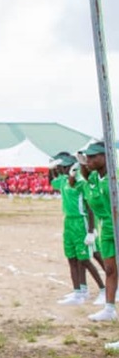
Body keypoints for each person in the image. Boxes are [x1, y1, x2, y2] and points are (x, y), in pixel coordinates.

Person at [75, 143, 119, 338]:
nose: (90, 161)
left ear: (105, 156)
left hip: (117, 225)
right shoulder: (94, 177)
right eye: (88, 158)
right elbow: (83, 176)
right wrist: (82, 162)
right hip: (106, 229)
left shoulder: (115, 175)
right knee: (110, 270)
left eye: (93, 157)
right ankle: (109, 308)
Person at [51, 153, 104, 305]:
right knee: (72, 258)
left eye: (63, 166)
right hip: (68, 222)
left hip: (81, 222)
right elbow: (53, 181)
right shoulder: (64, 180)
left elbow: (90, 207)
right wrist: (52, 168)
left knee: (85, 259)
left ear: (71, 166)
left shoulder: (81, 182)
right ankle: (79, 292)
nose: (61, 168)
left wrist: (91, 231)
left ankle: (102, 289)